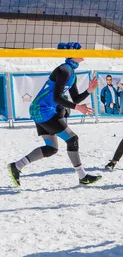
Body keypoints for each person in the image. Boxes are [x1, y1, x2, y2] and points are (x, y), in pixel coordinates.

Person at [8, 42, 101, 186]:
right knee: (72, 139)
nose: (84, 51)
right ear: (72, 53)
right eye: (80, 49)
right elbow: (57, 98)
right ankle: (82, 177)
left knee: (51, 148)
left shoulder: (71, 72)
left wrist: (89, 90)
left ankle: (17, 166)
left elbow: (75, 98)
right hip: (42, 110)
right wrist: (78, 108)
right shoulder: (64, 70)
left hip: (43, 109)